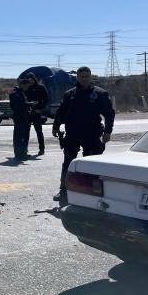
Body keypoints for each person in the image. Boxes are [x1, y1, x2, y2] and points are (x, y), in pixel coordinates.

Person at [52, 66, 115, 202]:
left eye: (87, 76)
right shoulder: (70, 94)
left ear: (91, 77)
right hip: (72, 134)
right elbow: (61, 111)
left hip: (92, 134)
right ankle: (64, 190)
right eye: (82, 76)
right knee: (68, 163)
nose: (84, 79)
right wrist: (56, 127)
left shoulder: (100, 94)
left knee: (91, 164)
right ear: (77, 78)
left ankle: (91, 192)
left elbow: (109, 114)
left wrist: (108, 131)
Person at [25, 73, 49, 156]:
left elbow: (46, 99)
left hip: (36, 112)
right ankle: (25, 150)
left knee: (39, 131)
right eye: (28, 79)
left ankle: (42, 149)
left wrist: (40, 109)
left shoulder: (40, 87)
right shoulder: (26, 88)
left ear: (34, 78)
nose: (30, 81)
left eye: (31, 79)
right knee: (26, 132)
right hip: (27, 113)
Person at [10, 77, 32, 161]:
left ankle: (22, 153)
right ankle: (19, 154)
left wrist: (28, 104)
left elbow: (22, 104)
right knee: (19, 137)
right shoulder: (16, 93)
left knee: (23, 136)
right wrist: (28, 105)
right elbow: (18, 106)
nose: (28, 88)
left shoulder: (21, 93)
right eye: (27, 86)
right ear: (22, 85)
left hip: (23, 117)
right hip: (20, 118)